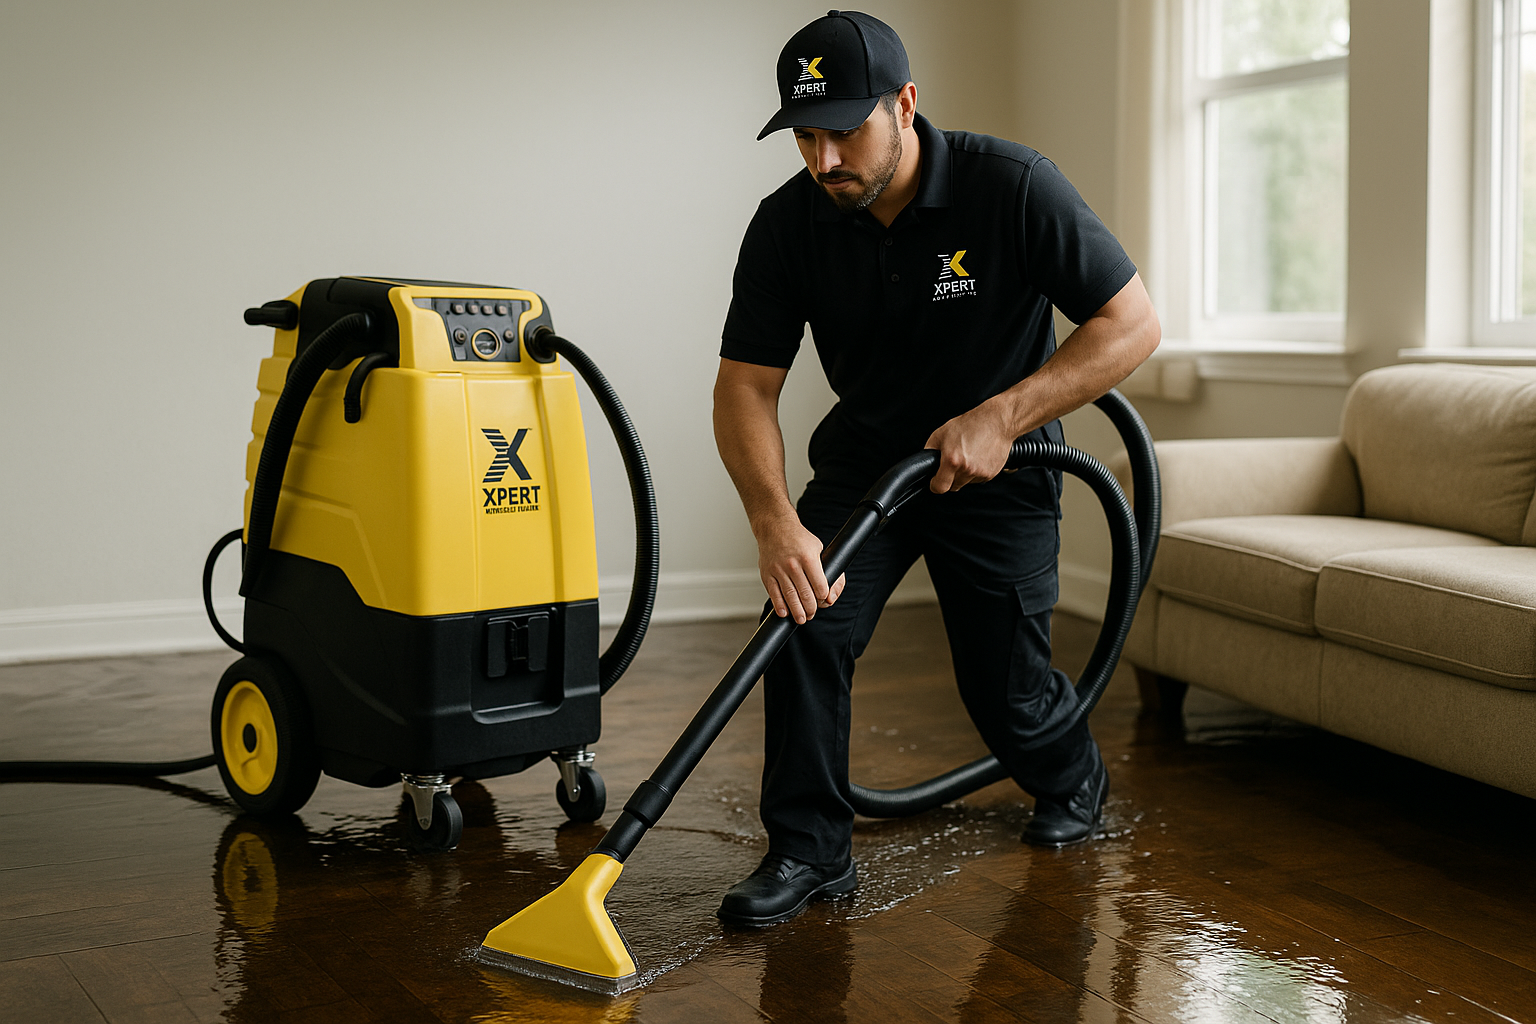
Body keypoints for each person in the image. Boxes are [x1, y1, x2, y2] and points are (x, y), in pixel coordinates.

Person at [712, 10, 1160, 928]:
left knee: (1004, 688)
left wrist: (1005, 413)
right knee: (802, 625)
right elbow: (746, 388)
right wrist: (773, 521)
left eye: (845, 130)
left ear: (905, 104)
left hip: (998, 470)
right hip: (865, 471)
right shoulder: (787, 224)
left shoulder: (1012, 188)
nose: (825, 159)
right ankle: (808, 849)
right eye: (806, 136)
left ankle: (1070, 774)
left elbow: (1133, 325)